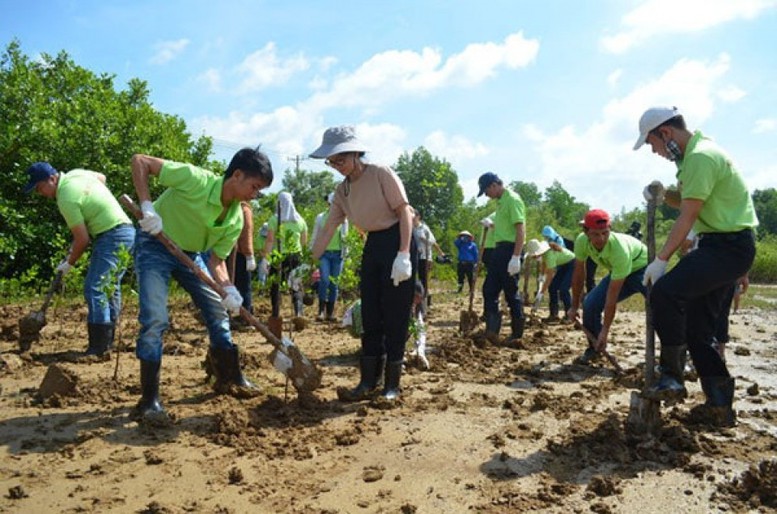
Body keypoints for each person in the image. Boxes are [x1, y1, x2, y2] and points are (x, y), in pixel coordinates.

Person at [636, 106, 758, 425]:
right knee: (698, 332)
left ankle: (672, 377)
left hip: (725, 247)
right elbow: (691, 199)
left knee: (665, 293)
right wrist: (664, 195)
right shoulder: (693, 158)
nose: (655, 152)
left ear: (666, 133)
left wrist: (661, 260)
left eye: (653, 144)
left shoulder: (701, 157)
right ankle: (720, 406)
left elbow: (688, 215)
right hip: (727, 247)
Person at [130, 148, 273, 421]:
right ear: (237, 175)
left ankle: (230, 379)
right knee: (155, 318)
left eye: (259, 191)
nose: (254, 195)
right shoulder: (195, 179)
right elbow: (141, 161)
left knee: (218, 313)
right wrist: (147, 206)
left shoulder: (235, 218)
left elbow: (217, 260)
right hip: (155, 243)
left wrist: (229, 289)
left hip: (191, 255)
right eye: (254, 187)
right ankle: (149, 401)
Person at [310, 125, 416, 402]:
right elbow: (328, 228)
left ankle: (392, 385)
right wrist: (308, 263)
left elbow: (404, 212)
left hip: (398, 240)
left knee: (395, 314)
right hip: (374, 245)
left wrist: (404, 254)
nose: (336, 166)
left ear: (356, 153)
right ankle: (368, 381)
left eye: (340, 160)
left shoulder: (381, 174)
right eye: (331, 162)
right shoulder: (342, 191)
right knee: (369, 314)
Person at [23, 162, 135, 357]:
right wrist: (95, 203)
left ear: (52, 179)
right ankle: (107, 342)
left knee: (95, 287)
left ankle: (98, 348)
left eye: (40, 188)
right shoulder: (76, 174)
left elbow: (83, 240)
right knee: (109, 287)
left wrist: (68, 263)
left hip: (112, 235)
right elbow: (102, 177)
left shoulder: (65, 198)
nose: (40, 193)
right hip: (125, 230)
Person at [566, 209, 647, 364]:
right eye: (596, 234)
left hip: (643, 269)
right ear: (586, 232)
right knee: (590, 304)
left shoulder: (619, 249)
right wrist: (574, 306)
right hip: (618, 271)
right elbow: (578, 275)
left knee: (663, 307)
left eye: (605, 233)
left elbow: (612, 298)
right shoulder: (581, 241)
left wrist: (606, 330)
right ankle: (595, 348)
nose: (601, 238)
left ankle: (673, 360)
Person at [477, 172, 525, 345]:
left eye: (486, 191)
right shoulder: (500, 202)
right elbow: (505, 225)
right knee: (489, 289)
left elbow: (520, 229)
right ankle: (492, 332)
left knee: (511, 292)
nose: (487, 196)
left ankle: (517, 334)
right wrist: (492, 225)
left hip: (510, 250)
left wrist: (516, 256)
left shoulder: (512, 199)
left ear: (493, 185)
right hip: (499, 250)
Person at [260, 192, 308, 319]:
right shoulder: (300, 221)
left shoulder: (274, 219)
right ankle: (298, 313)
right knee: (295, 284)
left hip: (279, 256)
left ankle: (275, 314)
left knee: (275, 285)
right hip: (296, 256)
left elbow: (270, 241)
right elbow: (304, 242)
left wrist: (266, 258)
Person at [310, 192, 349, 321]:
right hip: (324, 254)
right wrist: (311, 252)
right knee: (325, 280)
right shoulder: (321, 217)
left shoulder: (344, 219)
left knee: (334, 283)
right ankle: (321, 311)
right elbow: (315, 236)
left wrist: (347, 254)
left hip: (338, 255)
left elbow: (346, 238)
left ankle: (330, 313)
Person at [526, 238, 575, 321]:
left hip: (573, 264)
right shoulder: (544, 254)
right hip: (564, 265)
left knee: (563, 289)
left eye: (534, 256)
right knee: (552, 287)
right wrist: (541, 275)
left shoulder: (549, 255)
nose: (534, 257)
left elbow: (550, 277)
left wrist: (541, 293)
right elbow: (544, 264)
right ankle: (553, 314)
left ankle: (569, 315)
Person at [543, 225, 598, 295]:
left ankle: (590, 299)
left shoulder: (559, 240)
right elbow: (546, 261)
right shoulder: (547, 244)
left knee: (589, 279)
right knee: (554, 287)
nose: (547, 238)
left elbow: (561, 253)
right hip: (572, 261)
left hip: (587, 258)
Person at [227, 201, 257, 327]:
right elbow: (247, 233)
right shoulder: (244, 210)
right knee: (242, 285)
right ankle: (244, 315)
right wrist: (249, 254)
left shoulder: (236, 208)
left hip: (232, 252)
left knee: (238, 285)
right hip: (239, 253)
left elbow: (246, 232)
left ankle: (244, 315)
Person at [413, 209, 445, 306]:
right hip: (415, 256)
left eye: (414, 216)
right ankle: (417, 298)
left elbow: (432, 242)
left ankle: (425, 299)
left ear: (418, 217)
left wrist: (424, 240)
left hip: (425, 257)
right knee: (414, 278)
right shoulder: (411, 228)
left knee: (424, 278)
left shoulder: (424, 228)